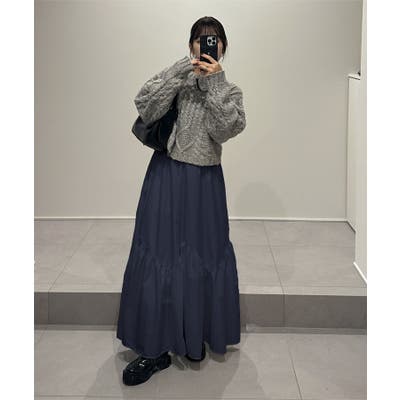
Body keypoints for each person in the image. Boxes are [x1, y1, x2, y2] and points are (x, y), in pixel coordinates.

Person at [116, 16, 246, 386]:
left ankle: (194, 334)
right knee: (160, 255)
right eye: (200, 39)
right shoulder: (177, 78)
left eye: (214, 39)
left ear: (224, 47)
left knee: (203, 255)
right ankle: (154, 347)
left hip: (205, 184)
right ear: (191, 45)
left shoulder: (230, 91)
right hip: (167, 176)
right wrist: (182, 70)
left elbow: (226, 128)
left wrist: (214, 83)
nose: (207, 45)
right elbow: (145, 105)